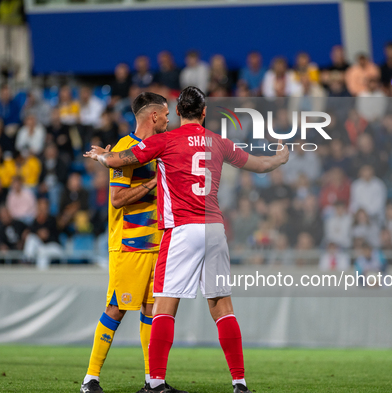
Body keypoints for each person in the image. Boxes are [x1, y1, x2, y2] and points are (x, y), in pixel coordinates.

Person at [84, 86, 289, 393]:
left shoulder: (164, 141)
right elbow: (259, 166)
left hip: (180, 230)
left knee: (163, 307)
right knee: (222, 306)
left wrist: (103, 157)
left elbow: (119, 161)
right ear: (204, 112)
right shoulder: (218, 142)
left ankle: (154, 381)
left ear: (179, 112)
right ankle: (240, 382)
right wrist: (280, 158)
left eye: (171, 112)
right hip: (212, 229)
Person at [80, 92, 168, 393]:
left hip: (155, 242)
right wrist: (155, 182)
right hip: (129, 243)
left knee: (151, 310)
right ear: (153, 116)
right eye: (166, 114)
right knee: (117, 308)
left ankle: (152, 380)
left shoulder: (156, 148)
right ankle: (90, 378)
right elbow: (117, 199)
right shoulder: (125, 149)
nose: (169, 119)